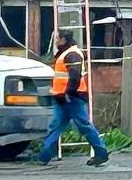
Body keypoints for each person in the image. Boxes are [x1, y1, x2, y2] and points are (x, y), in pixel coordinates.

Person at [39, 30, 109, 166]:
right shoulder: (66, 53)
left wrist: (68, 93)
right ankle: (45, 155)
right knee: (56, 125)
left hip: (72, 97)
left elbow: (75, 76)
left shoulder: (72, 54)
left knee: (83, 125)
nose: (56, 41)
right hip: (63, 97)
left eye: (58, 38)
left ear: (64, 40)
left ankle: (101, 153)